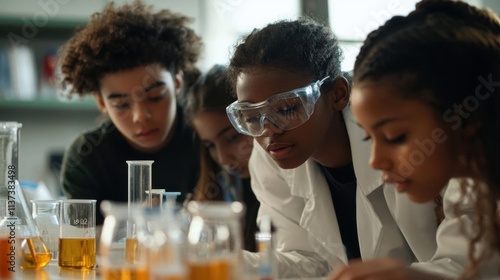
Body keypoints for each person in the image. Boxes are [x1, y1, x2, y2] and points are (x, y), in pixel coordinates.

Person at [226, 16, 479, 279]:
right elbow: (305, 261)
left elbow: (477, 264)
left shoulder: (439, 142)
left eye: (287, 108)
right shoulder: (271, 153)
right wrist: (229, 264)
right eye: (252, 116)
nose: (268, 129)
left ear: (337, 94)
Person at [329, 0, 500, 279]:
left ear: (465, 117)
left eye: (395, 137)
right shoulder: (477, 189)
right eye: (368, 138)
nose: (376, 161)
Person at [58, 0, 202, 225]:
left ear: (177, 83)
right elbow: (83, 244)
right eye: (121, 105)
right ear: (101, 103)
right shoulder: (87, 158)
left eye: (155, 97)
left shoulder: (208, 139)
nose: (140, 116)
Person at [181, 64, 260, 252]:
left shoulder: (288, 188)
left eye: (232, 137)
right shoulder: (225, 194)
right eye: (210, 145)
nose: (223, 158)